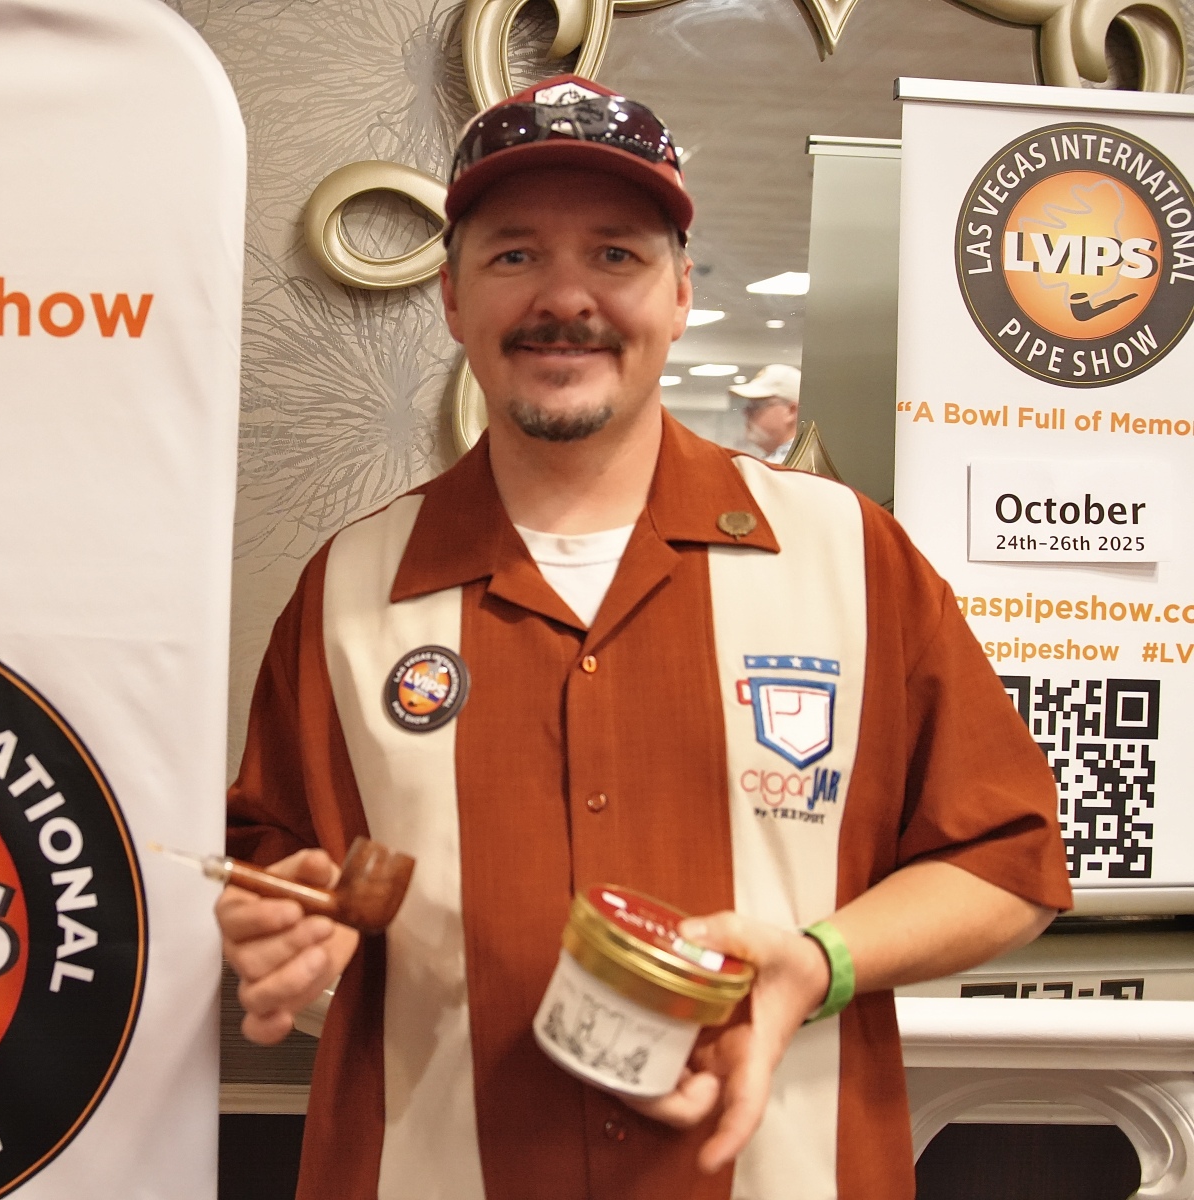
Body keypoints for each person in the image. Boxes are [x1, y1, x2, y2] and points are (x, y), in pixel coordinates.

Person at [220, 75, 1069, 1200]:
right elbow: (276, 865)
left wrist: (819, 963)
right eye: (515, 255)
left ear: (678, 293)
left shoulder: (850, 557)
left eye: (615, 255)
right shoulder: (350, 588)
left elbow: (1007, 859)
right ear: (453, 298)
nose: (565, 296)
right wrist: (277, 926)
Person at [732, 363, 802, 463]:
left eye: (756, 406)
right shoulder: (784, 462)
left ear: (791, 411)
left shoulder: (793, 465)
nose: (746, 412)